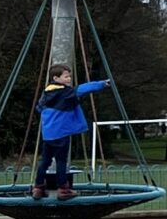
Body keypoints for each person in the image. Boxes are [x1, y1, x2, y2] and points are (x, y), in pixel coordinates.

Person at [32, 65, 111, 200]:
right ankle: (63, 189)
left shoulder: (46, 93)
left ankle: (38, 187)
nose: (69, 79)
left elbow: (39, 109)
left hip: (48, 134)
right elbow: (81, 89)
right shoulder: (65, 93)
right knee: (61, 161)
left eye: (69, 76)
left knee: (44, 161)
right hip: (61, 133)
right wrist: (102, 84)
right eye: (66, 76)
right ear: (55, 78)